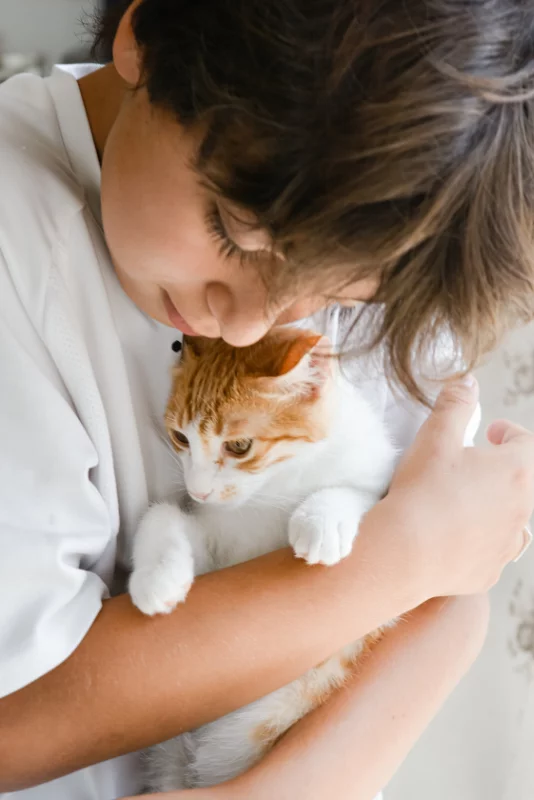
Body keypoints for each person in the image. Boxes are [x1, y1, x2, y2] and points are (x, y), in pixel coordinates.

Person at [1, 1, 534, 798]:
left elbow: (452, 590)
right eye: (232, 233)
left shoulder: (385, 244)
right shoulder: (19, 238)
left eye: (334, 290)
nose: (251, 325)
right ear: (143, 36)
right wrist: (400, 556)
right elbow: (17, 718)